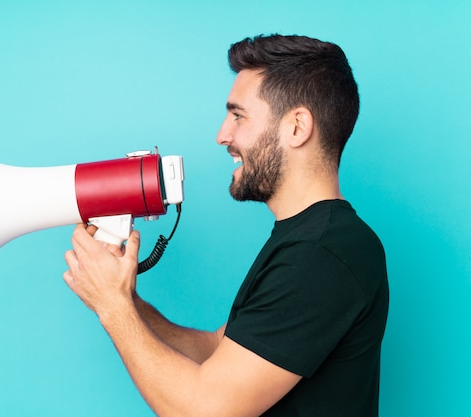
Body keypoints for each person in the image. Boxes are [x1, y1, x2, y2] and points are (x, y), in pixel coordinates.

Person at [63, 34, 389, 417]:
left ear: (297, 128)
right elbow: (218, 352)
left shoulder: (322, 253)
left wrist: (112, 307)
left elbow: (207, 410)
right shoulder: (310, 240)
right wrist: (122, 297)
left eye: (239, 116)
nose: (223, 135)